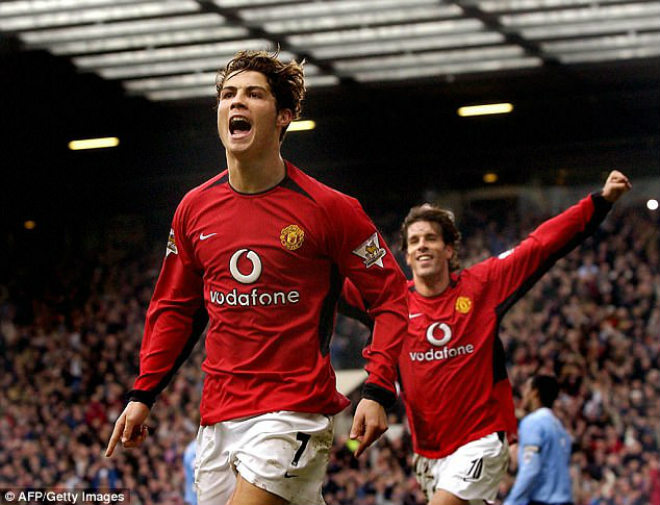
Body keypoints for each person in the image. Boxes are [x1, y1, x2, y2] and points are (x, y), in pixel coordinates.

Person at [104, 50, 409, 505]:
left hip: (294, 411)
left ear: (284, 116)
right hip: (219, 415)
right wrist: (143, 392)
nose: (237, 102)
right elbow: (175, 308)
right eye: (228, 95)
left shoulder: (330, 209)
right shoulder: (193, 209)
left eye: (254, 94)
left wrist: (379, 388)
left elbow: (391, 297)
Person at [341, 171, 631, 505]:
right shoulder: (393, 303)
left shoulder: (483, 285)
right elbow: (330, 287)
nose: (422, 245)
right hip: (428, 452)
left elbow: (541, 245)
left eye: (431, 238)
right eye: (415, 241)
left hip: (481, 438)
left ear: (449, 249)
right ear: (406, 256)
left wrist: (600, 201)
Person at [503, 375, 573, 505]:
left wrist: (511, 502)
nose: (523, 394)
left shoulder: (533, 422)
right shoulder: (561, 429)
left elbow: (531, 469)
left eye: (526, 389)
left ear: (534, 393)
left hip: (543, 501)